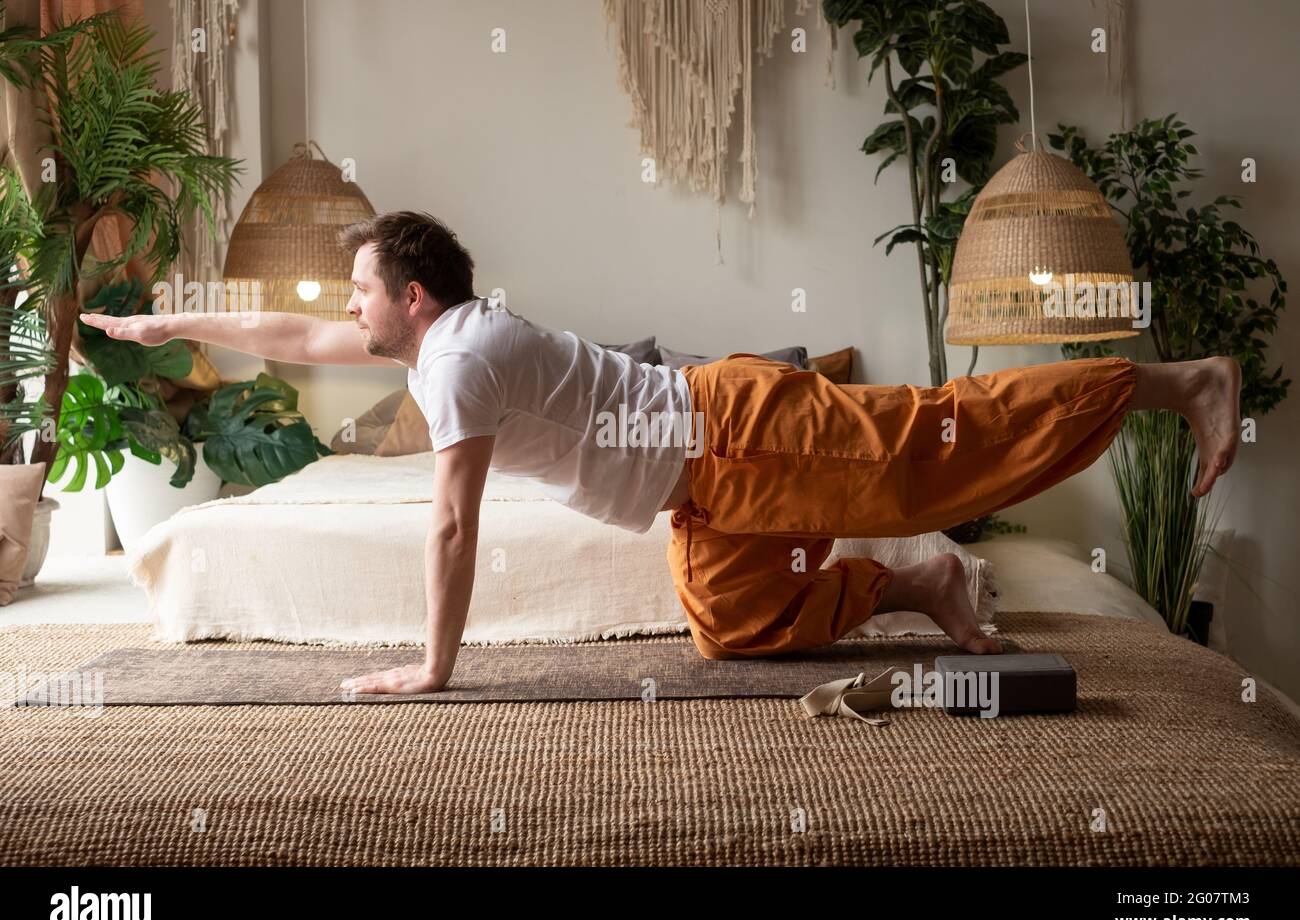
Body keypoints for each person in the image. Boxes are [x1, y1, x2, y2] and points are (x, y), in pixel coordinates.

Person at [81, 211, 1243, 695]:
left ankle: (1172, 380)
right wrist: (172, 324)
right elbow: (292, 332)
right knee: (732, 621)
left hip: (743, 430)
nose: (348, 311)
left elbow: (450, 519)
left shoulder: (460, 363)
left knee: (947, 440)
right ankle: (923, 580)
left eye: (360, 292)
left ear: (412, 297)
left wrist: (434, 667)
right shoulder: (436, 345)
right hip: (703, 483)